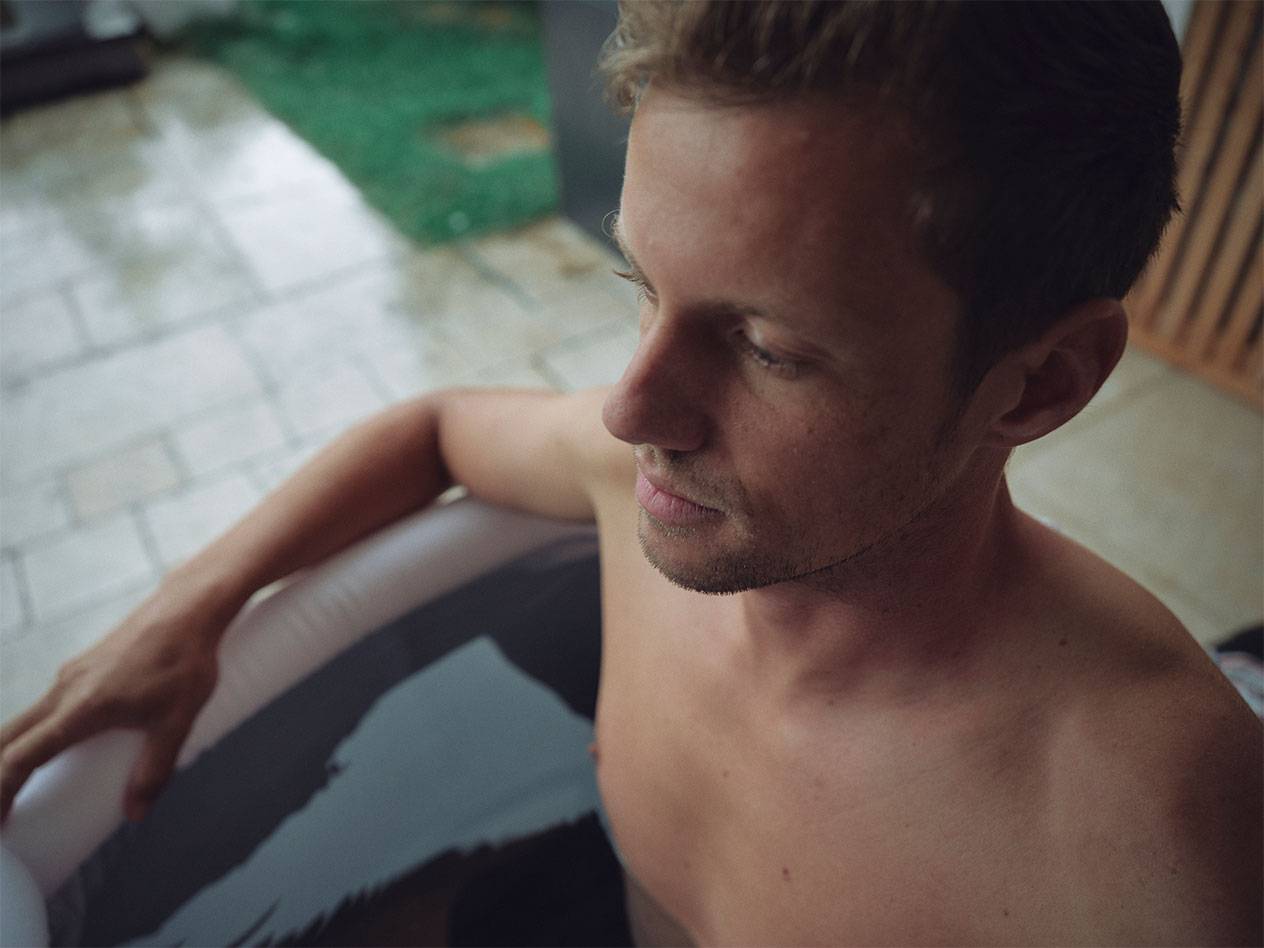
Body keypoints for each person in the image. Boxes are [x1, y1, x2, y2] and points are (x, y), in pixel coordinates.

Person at [3, 1, 1261, 944]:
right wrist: (187, 609)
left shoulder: (1151, 846)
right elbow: (437, 429)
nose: (630, 408)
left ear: (1041, 384)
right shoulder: (627, 492)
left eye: (764, 347)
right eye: (640, 289)